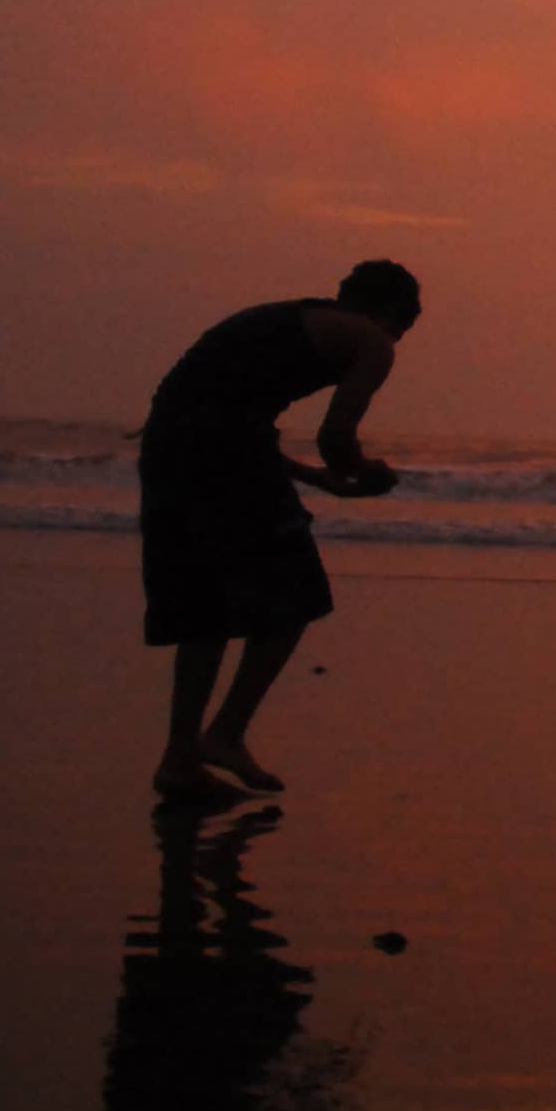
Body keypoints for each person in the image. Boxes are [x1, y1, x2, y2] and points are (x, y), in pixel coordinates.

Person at [137, 261, 421, 805]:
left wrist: (316, 479)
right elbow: (336, 437)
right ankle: (224, 733)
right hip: (221, 458)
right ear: (390, 314)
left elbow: (228, 418)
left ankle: (179, 760)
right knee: (298, 596)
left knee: (206, 610)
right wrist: (369, 472)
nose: (394, 344)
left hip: (170, 451)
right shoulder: (371, 339)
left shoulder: (290, 317)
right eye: (401, 331)